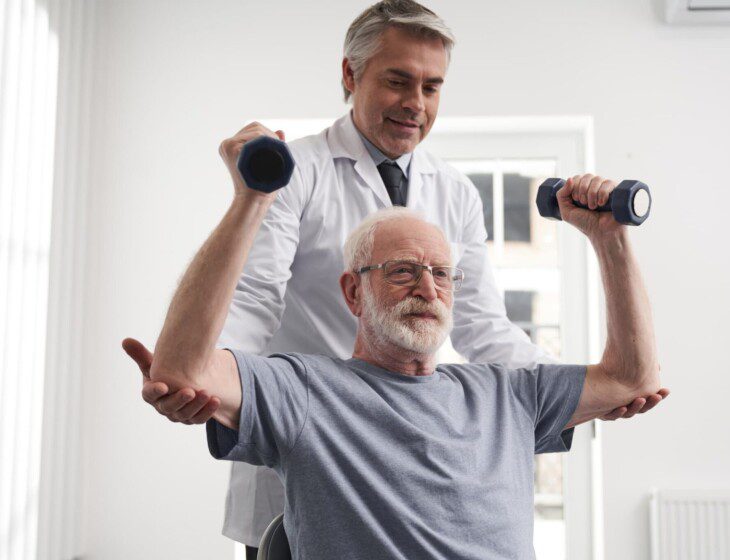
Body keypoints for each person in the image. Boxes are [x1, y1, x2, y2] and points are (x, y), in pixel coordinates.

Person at [124, 0, 664, 555]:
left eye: (432, 87)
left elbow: (483, 325)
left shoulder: (453, 190)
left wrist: (579, 391)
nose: (415, 104)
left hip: (408, 442)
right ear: (349, 75)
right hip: (311, 437)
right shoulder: (296, 170)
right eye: (398, 81)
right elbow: (254, 300)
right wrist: (206, 383)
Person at [122, 166, 668, 559]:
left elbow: (632, 377)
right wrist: (250, 202)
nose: (428, 289)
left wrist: (610, 239)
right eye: (403, 271)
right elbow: (185, 370)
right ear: (353, 293)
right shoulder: (305, 388)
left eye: (442, 274)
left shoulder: (509, 393)